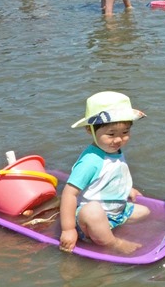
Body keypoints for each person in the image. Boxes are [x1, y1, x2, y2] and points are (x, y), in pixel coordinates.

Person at [59, 92, 151, 255]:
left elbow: (113, 175)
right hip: (89, 219)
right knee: (93, 210)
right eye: (111, 134)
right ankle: (114, 243)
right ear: (90, 130)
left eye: (125, 133)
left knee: (145, 212)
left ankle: (108, 231)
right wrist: (68, 229)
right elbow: (69, 194)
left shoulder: (113, 150)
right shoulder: (91, 161)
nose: (118, 140)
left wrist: (127, 189)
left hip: (114, 212)